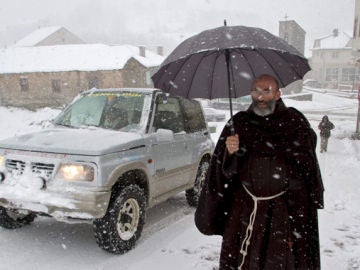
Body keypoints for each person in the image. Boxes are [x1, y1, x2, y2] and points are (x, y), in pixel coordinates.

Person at [195, 74, 324, 270]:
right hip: (245, 209)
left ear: (278, 94)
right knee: (242, 259)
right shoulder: (239, 123)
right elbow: (222, 173)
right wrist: (230, 153)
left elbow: (306, 165)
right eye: (256, 91)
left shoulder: (294, 122)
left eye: (267, 91)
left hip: (282, 212)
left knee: (278, 261)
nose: (260, 97)